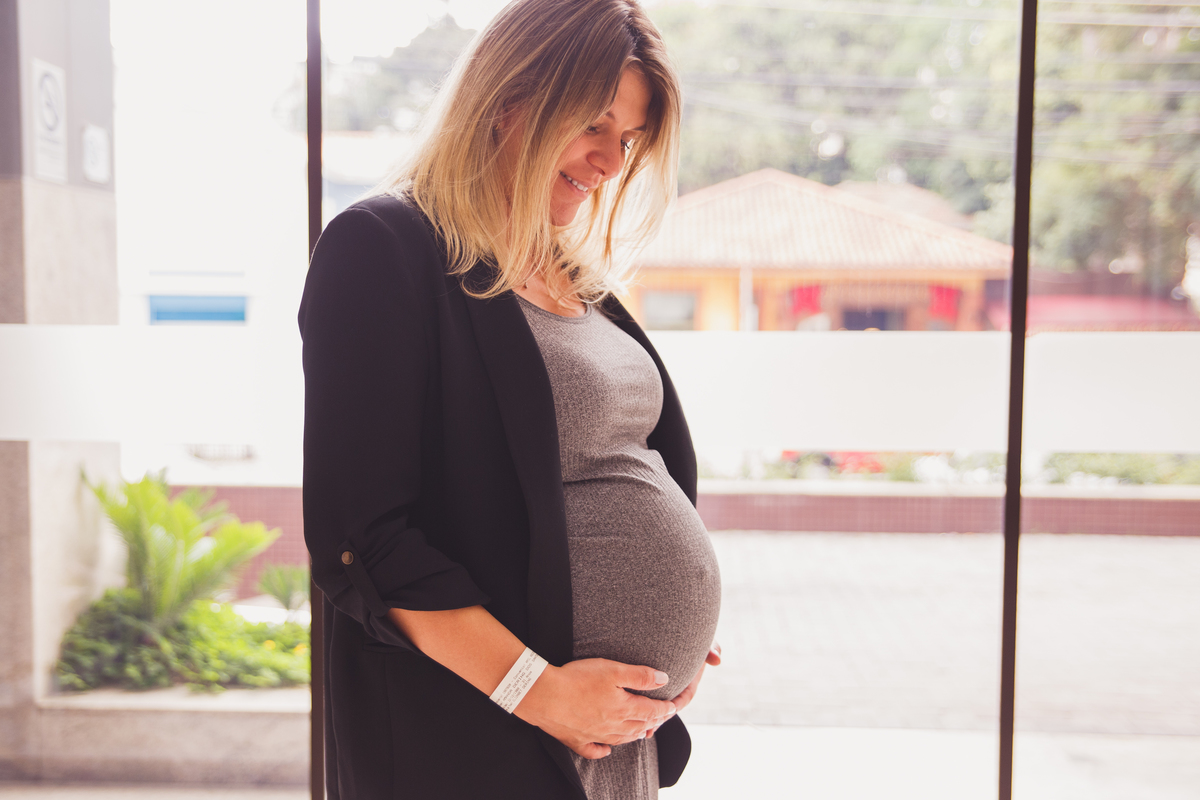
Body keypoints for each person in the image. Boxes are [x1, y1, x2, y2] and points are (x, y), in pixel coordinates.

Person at [298, 1, 721, 797]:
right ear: (509, 96)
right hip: (484, 736)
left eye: (627, 141)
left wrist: (676, 646)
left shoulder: (574, 276)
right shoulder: (382, 248)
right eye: (594, 126)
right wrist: (541, 691)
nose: (608, 163)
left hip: (607, 739)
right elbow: (364, 539)